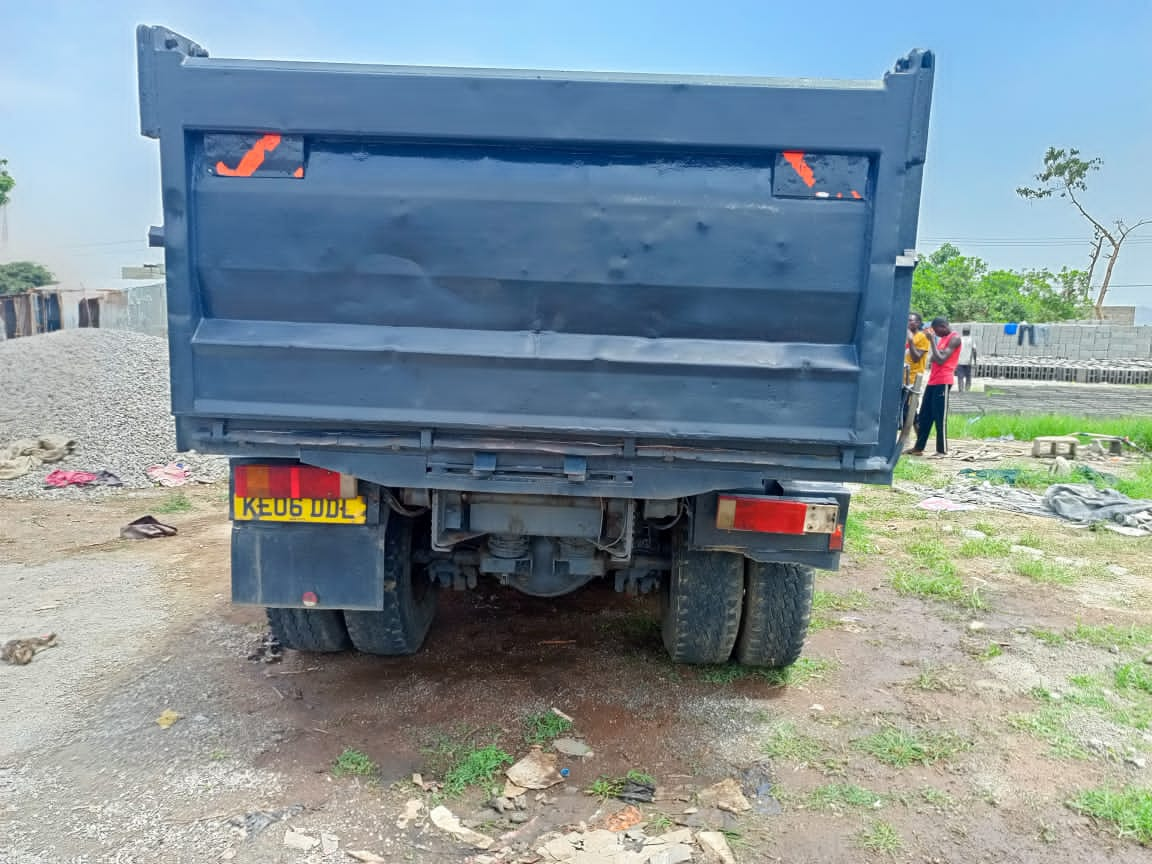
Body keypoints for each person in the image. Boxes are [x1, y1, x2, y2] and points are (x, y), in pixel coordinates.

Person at [906, 317, 961, 456]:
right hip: (933, 381)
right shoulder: (942, 339)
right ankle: (919, 448)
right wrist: (936, 351)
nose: (936, 334)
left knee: (939, 417)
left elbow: (941, 359)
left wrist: (931, 341)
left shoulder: (954, 338)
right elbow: (933, 358)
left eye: (937, 331)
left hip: (943, 381)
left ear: (943, 326)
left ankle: (942, 450)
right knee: (925, 415)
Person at [955, 326, 976, 392]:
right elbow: (974, 351)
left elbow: (955, 351)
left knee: (960, 377)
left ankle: (961, 390)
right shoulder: (972, 340)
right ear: (969, 332)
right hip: (968, 362)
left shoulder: (959, 339)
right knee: (968, 377)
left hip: (959, 361)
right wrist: (974, 361)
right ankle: (967, 390)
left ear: (962, 332)